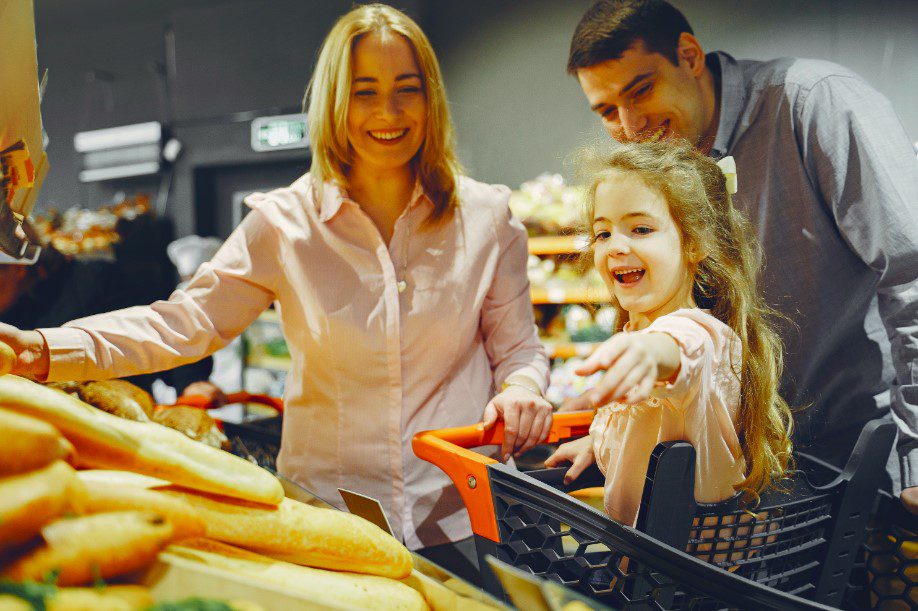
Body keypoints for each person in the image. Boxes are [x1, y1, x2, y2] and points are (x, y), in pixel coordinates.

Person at [0, 3, 552, 580]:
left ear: (430, 98)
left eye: (406, 89)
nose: (388, 111)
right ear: (335, 101)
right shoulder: (286, 222)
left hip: (459, 514)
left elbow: (519, 349)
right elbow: (185, 323)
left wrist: (522, 388)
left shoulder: (488, 218)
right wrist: (46, 349)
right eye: (364, 91)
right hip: (332, 518)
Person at [564, 0, 918, 512]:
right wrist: (615, 439)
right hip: (752, 471)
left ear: (688, 55)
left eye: (640, 90)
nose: (631, 122)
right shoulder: (667, 161)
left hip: (859, 460)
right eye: (605, 111)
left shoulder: (813, 103)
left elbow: (911, 277)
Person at [545, 141, 792, 525]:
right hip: (648, 570)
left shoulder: (703, 335)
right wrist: (598, 442)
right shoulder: (639, 331)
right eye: (603, 233)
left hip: (691, 576)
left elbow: (681, 351)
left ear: (694, 243)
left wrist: (650, 353)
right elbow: (651, 425)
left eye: (640, 229)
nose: (615, 247)